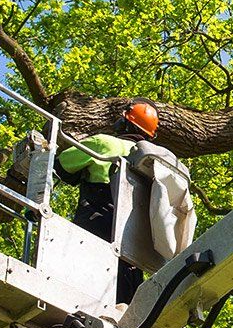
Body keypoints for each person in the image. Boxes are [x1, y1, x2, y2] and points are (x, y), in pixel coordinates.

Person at [56, 99, 160, 303]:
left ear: (124, 123)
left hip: (95, 232)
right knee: (124, 310)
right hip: (133, 253)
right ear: (150, 135)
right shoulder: (154, 165)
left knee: (78, 300)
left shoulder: (104, 143)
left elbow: (62, 165)